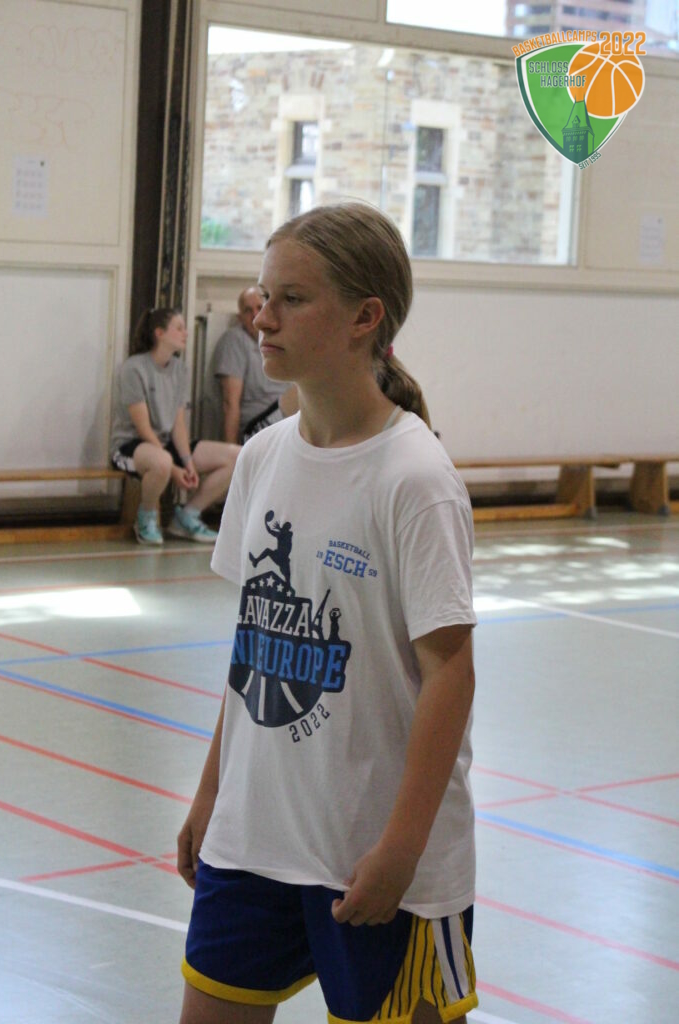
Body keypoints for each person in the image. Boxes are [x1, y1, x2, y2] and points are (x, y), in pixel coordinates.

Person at [177, 203, 478, 1024]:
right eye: (262, 295)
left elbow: (449, 673)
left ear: (363, 318)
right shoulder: (263, 457)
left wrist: (401, 851)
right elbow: (252, 653)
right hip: (252, 842)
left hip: (376, 857)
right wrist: (211, 795)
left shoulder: (414, 478)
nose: (261, 317)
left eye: (292, 299)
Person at [110, 307, 240, 545]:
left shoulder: (180, 369)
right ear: (159, 333)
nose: (185, 333)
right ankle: (146, 517)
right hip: (131, 445)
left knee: (237, 456)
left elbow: (178, 424)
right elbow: (143, 428)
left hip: (165, 444)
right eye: (179, 328)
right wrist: (173, 469)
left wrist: (187, 463)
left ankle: (188, 515)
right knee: (162, 462)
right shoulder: (134, 368)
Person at [205, 284, 298, 444]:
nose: (255, 315)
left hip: (287, 419)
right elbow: (230, 402)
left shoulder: (281, 340)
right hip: (258, 424)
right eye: (248, 311)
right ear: (240, 317)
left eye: (259, 308)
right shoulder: (235, 340)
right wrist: (232, 451)